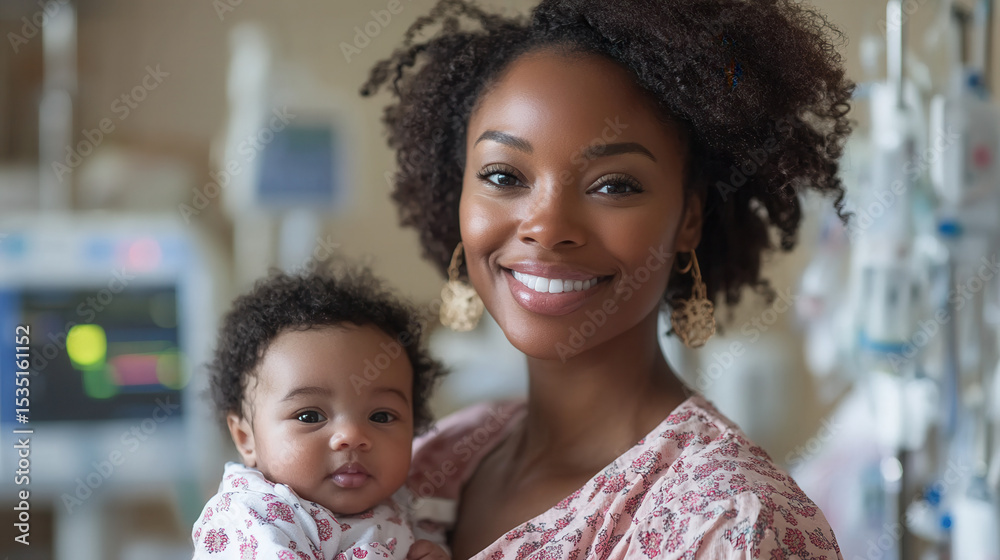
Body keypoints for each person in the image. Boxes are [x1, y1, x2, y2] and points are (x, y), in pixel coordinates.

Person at [362, 0, 854, 557]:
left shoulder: (730, 525)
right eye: (503, 175)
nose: (546, 228)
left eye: (613, 185)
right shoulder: (427, 461)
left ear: (688, 218)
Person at [191, 265, 452, 560]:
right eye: (310, 416)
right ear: (245, 438)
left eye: (381, 416)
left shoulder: (405, 503)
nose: (352, 436)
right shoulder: (254, 516)